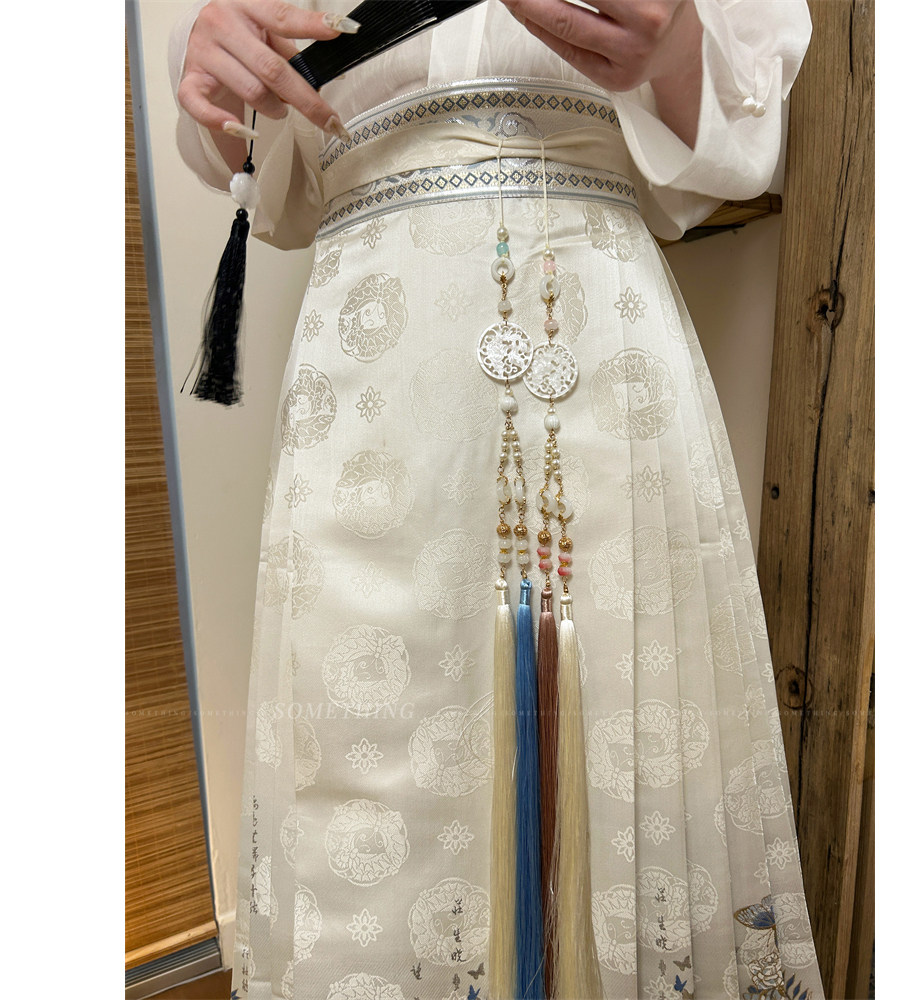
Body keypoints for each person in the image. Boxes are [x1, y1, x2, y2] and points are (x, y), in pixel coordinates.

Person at [169, 2, 823, 998]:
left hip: (589, 344)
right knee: (362, 766)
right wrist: (218, 86)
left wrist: (680, 42)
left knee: (613, 754)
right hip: (369, 376)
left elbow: (743, 136)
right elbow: (273, 189)